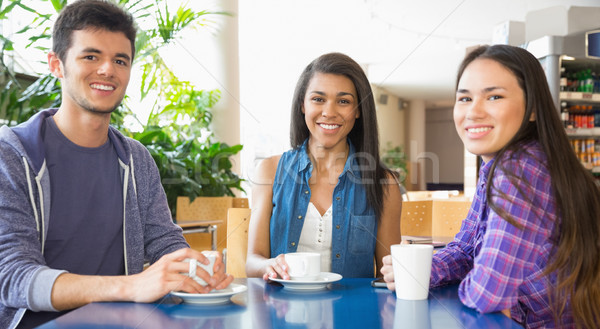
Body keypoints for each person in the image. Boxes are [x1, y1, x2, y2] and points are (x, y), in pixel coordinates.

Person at [0, 1, 233, 328]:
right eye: (91, 56)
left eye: (120, 60)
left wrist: (193, 269)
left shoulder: (136, 159)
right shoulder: (11, 153)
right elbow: (12, 277)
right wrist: (132, 285)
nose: (108, 70)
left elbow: (167, 245)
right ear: (56, 64)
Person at [381, 44, 600, 328]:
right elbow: (465, 248)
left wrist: (445, 275)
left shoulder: (521, 168)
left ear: (532, 109)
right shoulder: (495, 167)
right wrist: (420, 271)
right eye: (465, 98)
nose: (473, 112)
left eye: (494, 96)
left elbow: (487, 294)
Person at [246, 52, 402, 280]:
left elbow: (389, 275)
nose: (329, 112)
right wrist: (269, 266)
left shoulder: (384, 184)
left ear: (358, 110)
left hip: (353, 312)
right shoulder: (269, 171)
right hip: (283, 309)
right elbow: (253, 262)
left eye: (343, 101)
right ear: (302, 105)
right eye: (318, 99)